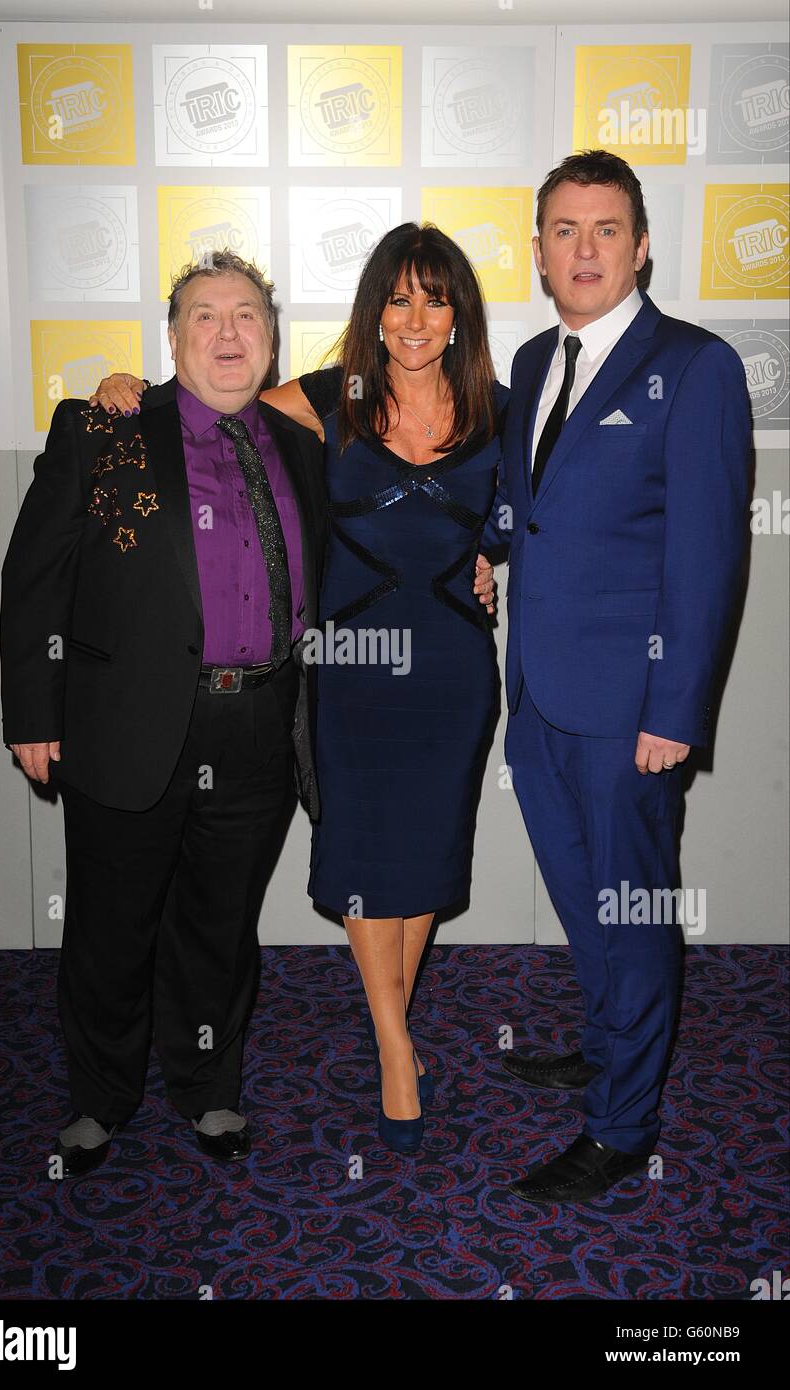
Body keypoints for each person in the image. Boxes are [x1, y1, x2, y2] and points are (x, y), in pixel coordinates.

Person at [91, 222, 507, 1154]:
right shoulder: (328, 398)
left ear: (457, 314)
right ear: (374, 310)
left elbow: (531, 516)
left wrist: (491, 553)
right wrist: (126, 392)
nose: (413, 318)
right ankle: (396, 1047)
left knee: (428, 856)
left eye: (432, 298)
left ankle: (393, 1030)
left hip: (449, 669)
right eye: (396, 298)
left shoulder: (497, 410)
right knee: (364, 855)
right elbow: (207, 401)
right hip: (352, 674)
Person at [0, 252, 329, 1177]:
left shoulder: (302, 446)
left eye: (247, 317)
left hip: (258, 722)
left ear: (271, 337)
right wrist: (33, 709)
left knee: (219, 924)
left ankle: (206, 1085)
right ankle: (100, 1099)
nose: (228, 334)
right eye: (204, 317)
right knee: (110, 922)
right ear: (173, 338)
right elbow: (34, 582)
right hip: (128, 720)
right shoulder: (103, 430)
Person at [480, 150, 752, 1204]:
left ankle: (624, 1127)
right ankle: (607, 1047)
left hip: (631, 710)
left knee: (633, 912)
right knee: (588, 903)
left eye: (604, 229)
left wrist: (674, 709)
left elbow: (706, 555)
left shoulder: (696, 366)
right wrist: (482, 547)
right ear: (539, 249)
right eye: (562, 229)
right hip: (540, 698)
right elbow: (526, 509)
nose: (582, 249)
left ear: (641, 246)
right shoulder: (531, 365)